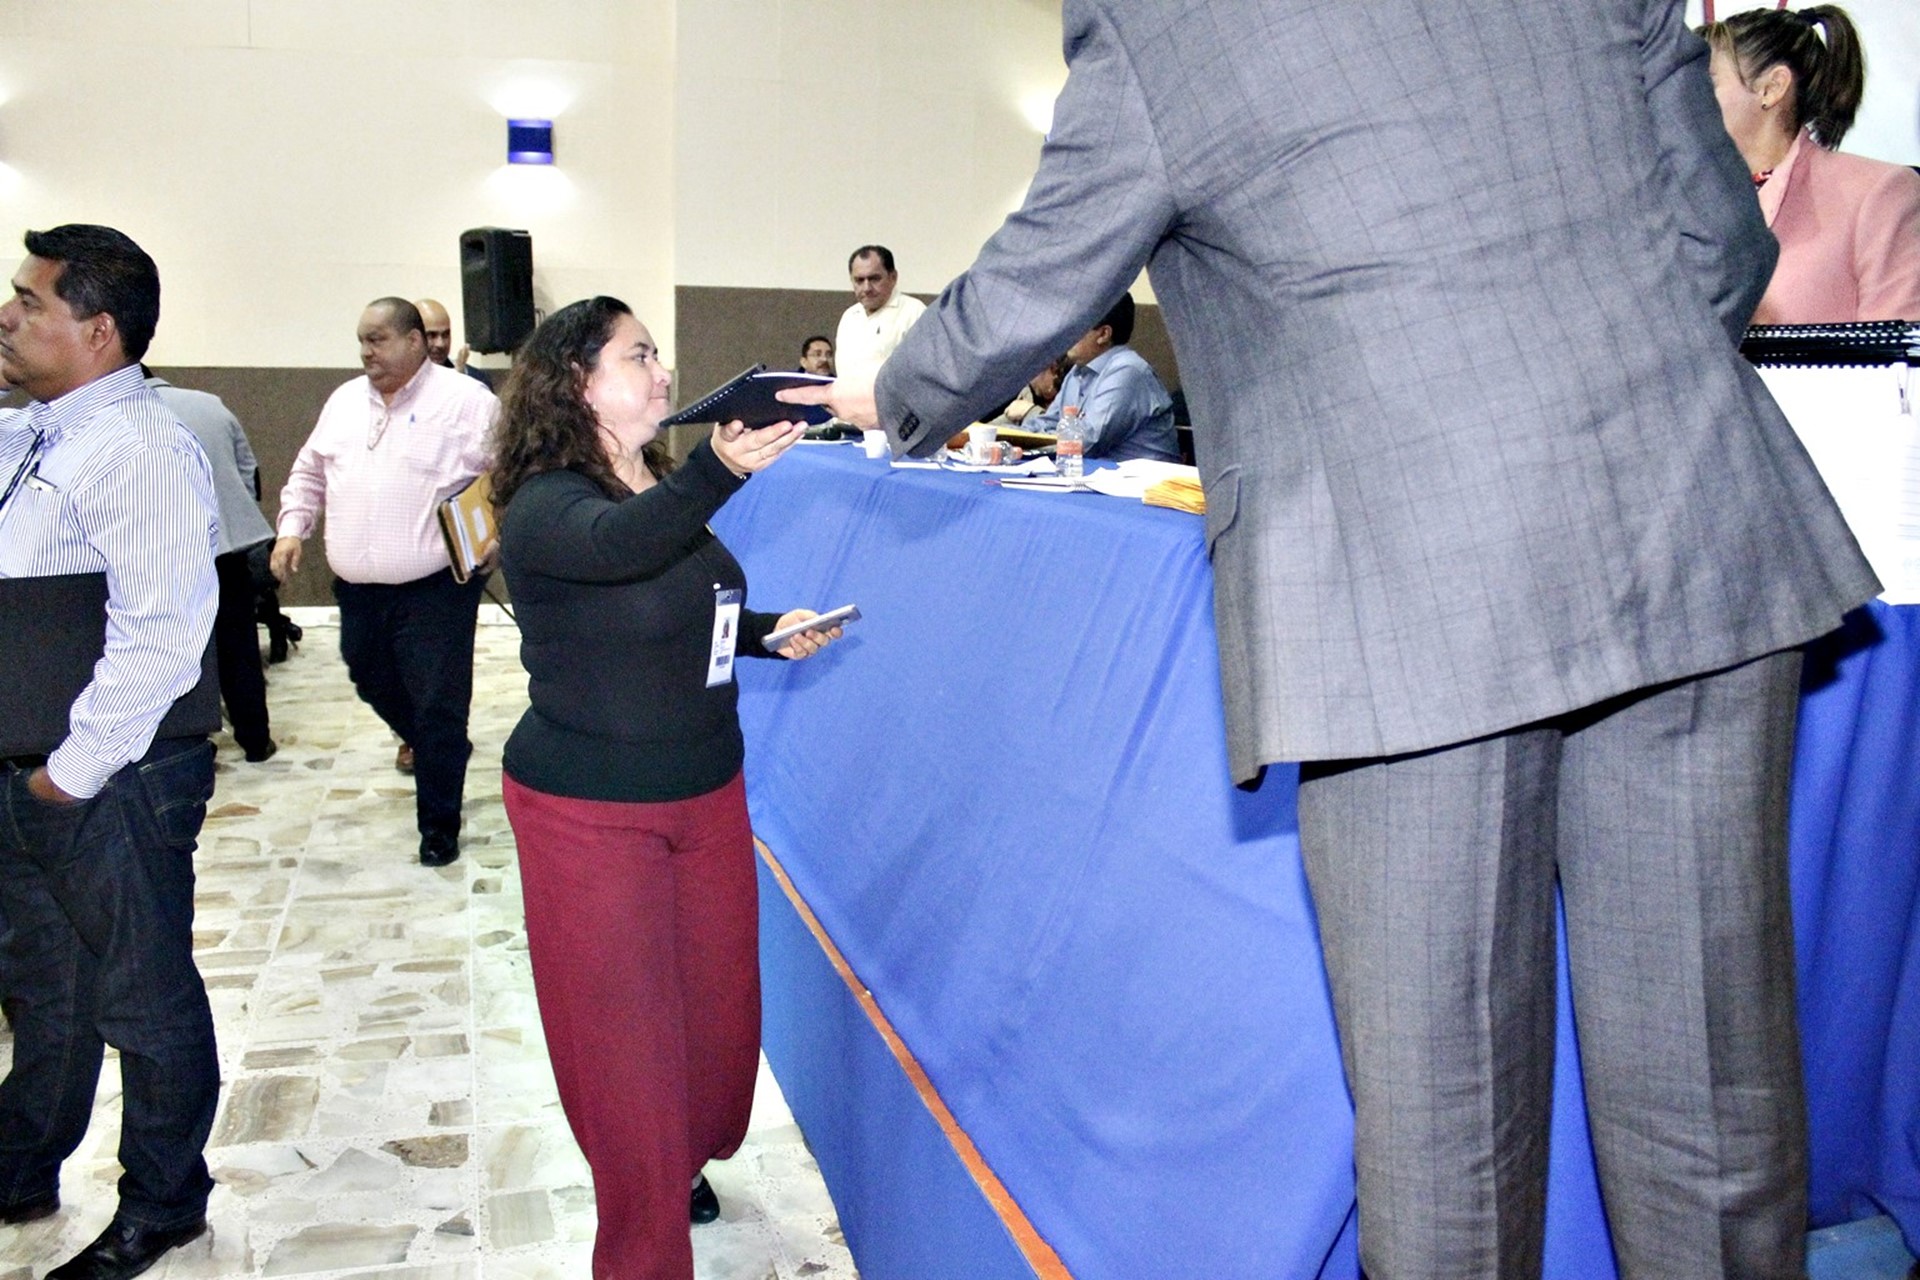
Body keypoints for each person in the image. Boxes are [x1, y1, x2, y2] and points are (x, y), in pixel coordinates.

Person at [781, 2, 1879, 1275]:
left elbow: (1045, 267)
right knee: (1711, 1107)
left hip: (1405, 597)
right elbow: (1722, 241)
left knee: (1451, 1137)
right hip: (1686, 524)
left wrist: (891, 384)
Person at [489, 296, 839, 1280]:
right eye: (638, 355)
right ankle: (641, 1242)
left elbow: (684, 600)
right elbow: (619, 549)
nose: (662, 371)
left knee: (719, 1032)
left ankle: (675, 1156)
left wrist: (765, 631)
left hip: (706, 793)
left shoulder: (651, 482)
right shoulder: (548, 503)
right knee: (627, 1059)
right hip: (592, 815)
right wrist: (718, 468)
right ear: (577, 382)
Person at [0, 224, 223, 1280]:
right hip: (42, 769)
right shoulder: (35, 433)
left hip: (113, 775)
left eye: (29, 301)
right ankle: (22, 1162)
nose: (7, 316)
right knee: (46, 984)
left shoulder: (140, 447)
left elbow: (163, 635)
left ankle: (165, 1203)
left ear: (97, 331)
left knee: (143, 995)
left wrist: (68, 775)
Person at [271, 297, 496, 866]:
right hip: (358, 590)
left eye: (377, 340)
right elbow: (310, 470)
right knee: (368, 675)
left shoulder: (467, 402)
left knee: (438, 702)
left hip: (436, 587)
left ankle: (438, 827)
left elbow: (511, 471)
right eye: (362, 341)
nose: (366, 352)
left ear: (415, 341)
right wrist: (292, 529)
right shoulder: (344, 402)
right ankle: (436, 743)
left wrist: (496, 531)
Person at [1701, 3, 1920, 323]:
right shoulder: (1673, 202)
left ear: (1771, 88)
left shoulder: (1878, 193)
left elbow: (1899, 345)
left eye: (1706, 83)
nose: (1683, 99)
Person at [144, 368, 278, 761]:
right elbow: (248, 470)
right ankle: (255, 740)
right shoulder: (211, 405)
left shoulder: (124, 413)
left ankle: (193, 744)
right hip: (226, 549)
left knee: (176, 652)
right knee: (239, 646)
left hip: (162, 555)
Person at [1026, 293, 1178, 462]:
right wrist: (1013, 436)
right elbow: (1050, 422)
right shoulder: (1077, 371)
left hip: (1143, 477)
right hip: (1092, 472)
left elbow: (1087, 442)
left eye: (1077, 325)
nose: (1067, 332)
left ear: (1104, 334)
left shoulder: (1127, 371)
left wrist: (1035, 442)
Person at [831, 245, 925, 384]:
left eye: (874, 279)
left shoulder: (914, 312)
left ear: (893, 277)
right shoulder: (849, 316)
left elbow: (924, 373)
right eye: (859, 280)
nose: (867, 288)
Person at [417, 297, 494, 389]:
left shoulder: (475, 379)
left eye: (445, 334)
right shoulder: (402, 382)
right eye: (431, 335)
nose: (440, 344)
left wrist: (460, 380)